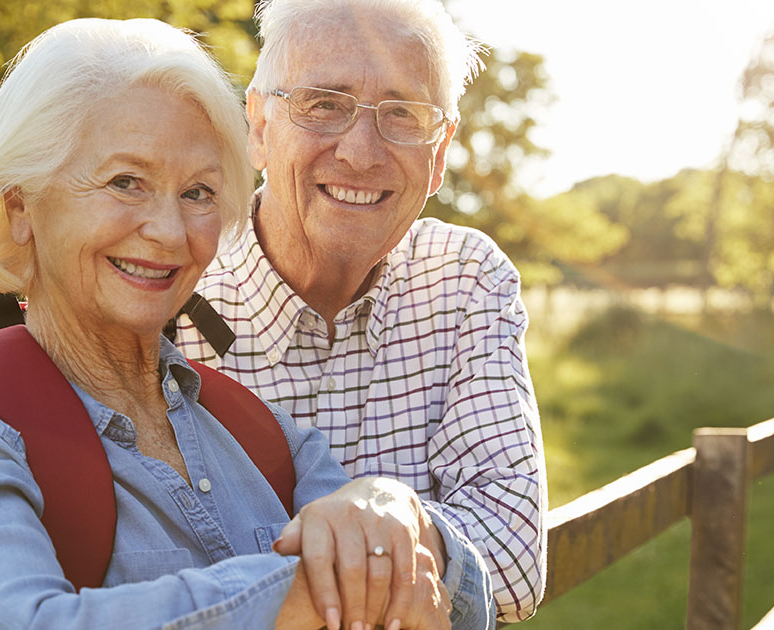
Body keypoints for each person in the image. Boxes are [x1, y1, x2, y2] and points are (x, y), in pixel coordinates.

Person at [0, 17, 493, 630]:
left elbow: (457, 607)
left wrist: (404, 520)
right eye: (125, 182)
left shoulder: (269, 439)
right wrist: (309, 587)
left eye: (198, 192)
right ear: (19, 212)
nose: (169, 232)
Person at [172, 0, 547, 623]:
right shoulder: (172, 278)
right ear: (259, 126)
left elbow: (513, 560)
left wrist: (388, 513)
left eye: (403, 113)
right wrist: (417, 543)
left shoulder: (465, 277)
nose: (362, 151)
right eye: (325, 102)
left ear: (441, 150)